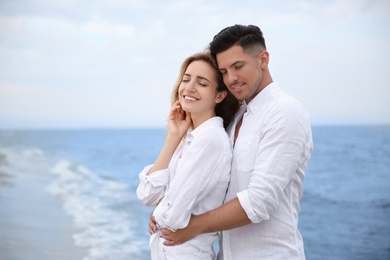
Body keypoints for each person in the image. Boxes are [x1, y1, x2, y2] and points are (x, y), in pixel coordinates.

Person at [158, 24, 313, 259]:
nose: (231, 78)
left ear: (263, 59)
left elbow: (259, 202)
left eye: (238, 66)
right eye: (223, 71)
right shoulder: (237, 115)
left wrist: (191, 227)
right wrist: (163, 210)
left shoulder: (285, 112)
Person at [136, 52, 240, 259]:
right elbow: (147, 193)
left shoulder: (210, 140)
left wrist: (161, 207)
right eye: (186, 79)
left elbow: (170, 217)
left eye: (202, 83)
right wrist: (174, 137)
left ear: (219, 96)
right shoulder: (189, 138)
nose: (189, 87)